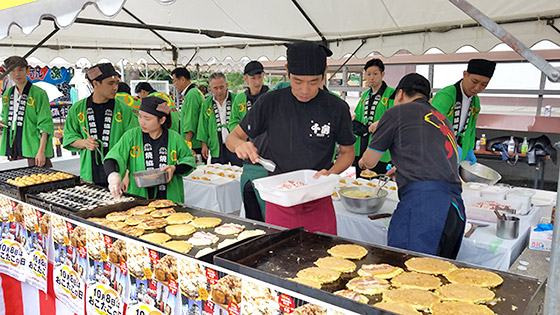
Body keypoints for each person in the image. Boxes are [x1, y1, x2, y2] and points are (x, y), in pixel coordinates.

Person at [226, 41, 355, 234]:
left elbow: (347, 152)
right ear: (287, 71)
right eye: (297, 81)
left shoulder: (336, 108)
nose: (305, 90)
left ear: (325, 73)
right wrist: (240, 146)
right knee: (280, 258)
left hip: (318, 199)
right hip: (280, 200)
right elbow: (232, 138)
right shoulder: (270, 102)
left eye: (313, 82)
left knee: (325, 258)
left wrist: (332, 171)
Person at [359, 73, 465, 259]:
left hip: (424, 210)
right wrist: (402, 168)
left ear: (399, 94)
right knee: (436, 277)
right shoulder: (442, 118)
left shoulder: (396, 112)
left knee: (407, 274)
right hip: (454, 210)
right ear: (427, 97)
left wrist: (361, 161)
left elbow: (370, 162)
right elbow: (434, 156)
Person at [104, 96, 195, 203]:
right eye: (140, 116)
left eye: (147, 118)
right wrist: (113, 176)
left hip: (170, 197)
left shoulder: (174, 137)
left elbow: (189, 161)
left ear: (162, 120)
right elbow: (113, 157)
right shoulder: (131, 136)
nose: (142, 122)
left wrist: (174, 168)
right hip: (139, 197)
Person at [63, 63, 137, 186]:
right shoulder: (78, 109)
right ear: (95, 84)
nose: (115, 88)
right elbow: (69, 136)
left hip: (119, 173)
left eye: (116, 83)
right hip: (89, 172)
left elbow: (134, 141)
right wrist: (84, 143)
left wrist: (127, 174)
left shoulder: (124, 109)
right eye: (110, 83)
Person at [431, 59, 496, 164]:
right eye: (474, 81)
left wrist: (469, 149)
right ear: (465, 74)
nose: (477, 88)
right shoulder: (446, 96)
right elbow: (430, 126)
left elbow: (470, 130)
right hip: (438, 153)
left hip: (456, 154)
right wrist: (450, 146)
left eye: (484, 84)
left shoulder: (475, 101)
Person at [229, 61, 270, 221]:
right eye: (253, 78)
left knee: (267, 210)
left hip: (267, 155)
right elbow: (233, 123)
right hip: (247, 158)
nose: (257, 81)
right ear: (246, 79)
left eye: (259, 77)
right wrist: (243, 135)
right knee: (251, 210)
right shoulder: (240, 99)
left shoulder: (271, 96)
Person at [0, 56, 54, 167]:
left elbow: (45, 124)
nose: (17, 74)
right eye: (12, 70)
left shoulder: (39, 93)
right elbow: (5, 120)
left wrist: (41, 151)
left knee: (39, 181)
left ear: (27, 70)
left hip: (33, 147)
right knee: (19, 180)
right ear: (7, 72)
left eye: (20, 69)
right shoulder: (7, 94)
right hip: (14, 146)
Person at [353, 58, 395, 176]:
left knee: (378, 182)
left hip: (380, 147)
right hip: (362, 145)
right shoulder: (365, 95)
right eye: (369, 74)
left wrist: (380, 122)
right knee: (360, 182)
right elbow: (358, 114)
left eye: (375, 74)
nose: (371, 77)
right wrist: (353, 117)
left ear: (382, 74)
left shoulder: (391, 94)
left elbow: (395, 116)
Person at [197, 72, 241, 166]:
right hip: (216, 144)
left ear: (226, 85)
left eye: (221, 87)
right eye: (215, 88)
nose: (219, 91)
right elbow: (203, 125)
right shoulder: (206, 103)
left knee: (239, 170)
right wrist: (204, 145)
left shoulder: (237, 99)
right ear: (210, 88)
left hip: (236, 142)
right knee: (217, 173)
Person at [172, 68, 205, 158]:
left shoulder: (192, 94)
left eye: (175, 81)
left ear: (182, 79)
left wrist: (187, 143)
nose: (174, 85)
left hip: (193, 143)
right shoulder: (193, 92)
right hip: (194, 141)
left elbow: (191, 120)